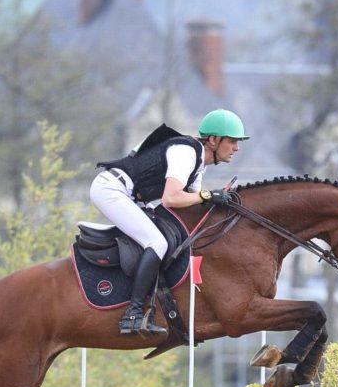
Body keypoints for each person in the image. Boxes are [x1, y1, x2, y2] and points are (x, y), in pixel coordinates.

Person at [90, 109, 249, 336]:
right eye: (232, 141)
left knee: (166, 238)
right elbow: (171, 198)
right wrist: (207, 195)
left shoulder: (198, 165)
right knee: (157, 242)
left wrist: (219, 201)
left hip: (130, 196)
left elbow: (193, 204)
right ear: (213, 140)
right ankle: (133, 315)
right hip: (111, 190)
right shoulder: (186, 153)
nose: (236, 148)